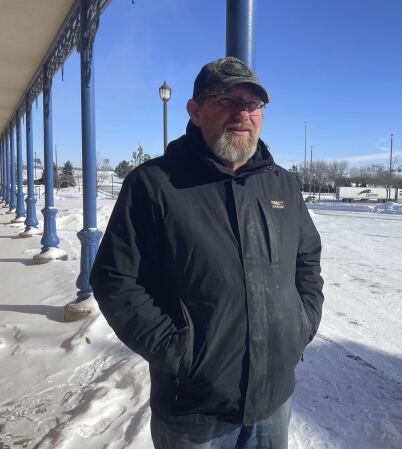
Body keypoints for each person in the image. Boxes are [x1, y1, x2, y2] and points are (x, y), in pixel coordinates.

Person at [90, 56, 324, 449]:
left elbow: (307, 262)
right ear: (195, 111)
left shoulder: (284, 186)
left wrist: (300, 326)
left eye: (252, 104)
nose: (242, 114)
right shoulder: (154, 185)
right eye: (227, 100)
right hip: (194, 412)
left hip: (273, 401)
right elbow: (115, 280)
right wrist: (180, 353)